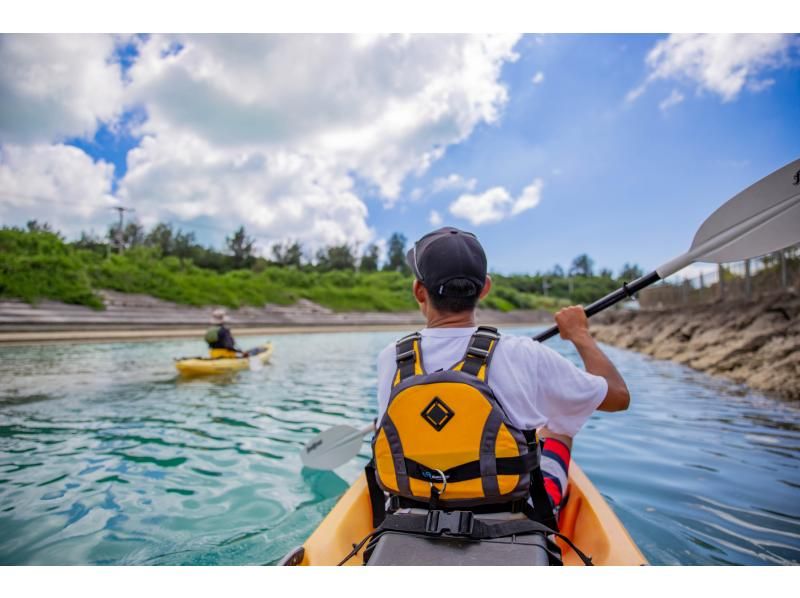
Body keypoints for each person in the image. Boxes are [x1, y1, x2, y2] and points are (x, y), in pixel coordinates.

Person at [371, 227, 630, 530]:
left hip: (412, 513)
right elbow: (618, 397)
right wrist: (579, 335)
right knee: (556, 428)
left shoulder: (392, 357)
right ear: (485, 288)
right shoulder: (524, 353)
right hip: (509, 516)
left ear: (418, 290)